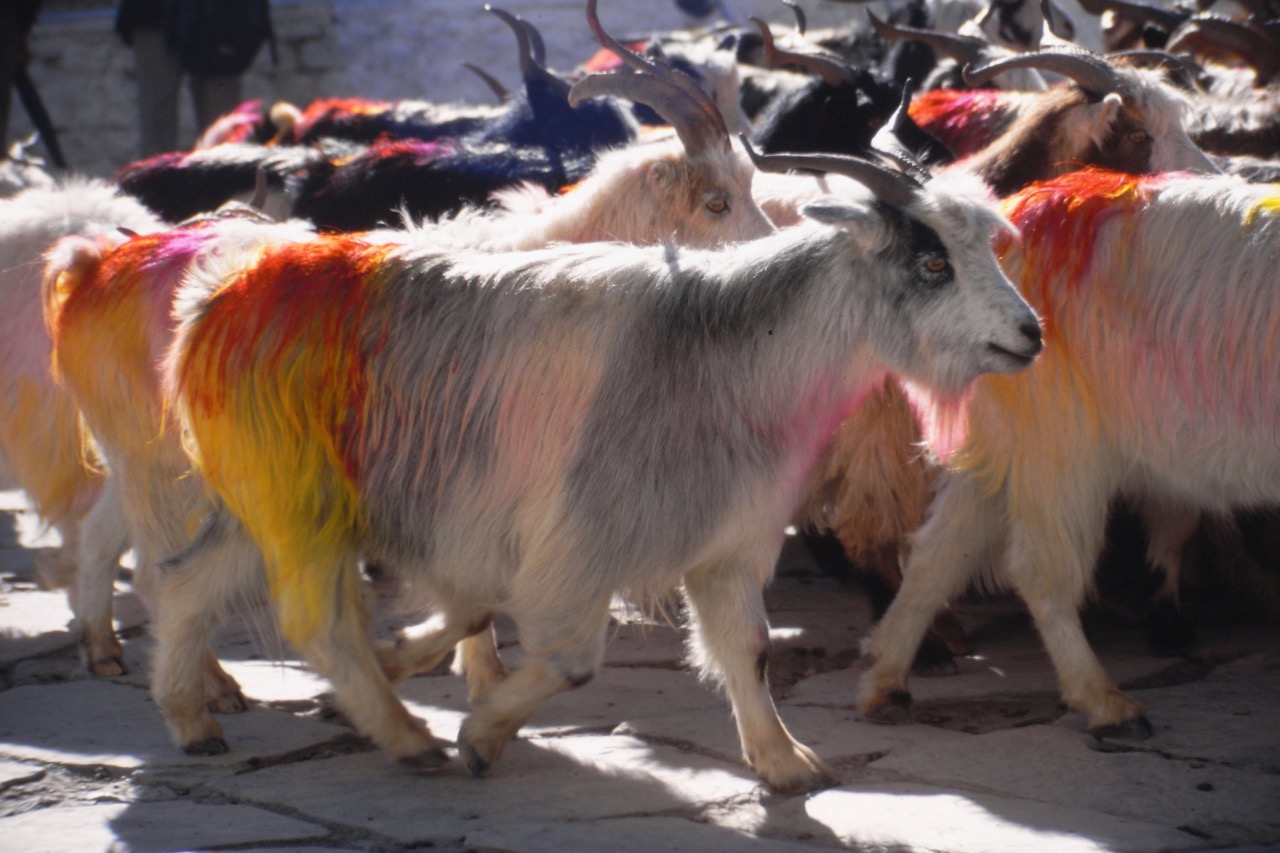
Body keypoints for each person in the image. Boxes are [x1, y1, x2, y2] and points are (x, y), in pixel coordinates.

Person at [116, 0, 273, 158]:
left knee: (223, 134)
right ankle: (159, 181)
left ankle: (225, 179)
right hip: (155, 17)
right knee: (157, 132)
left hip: (218, 19)